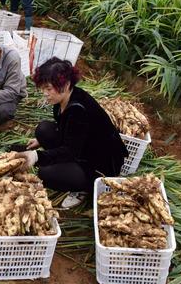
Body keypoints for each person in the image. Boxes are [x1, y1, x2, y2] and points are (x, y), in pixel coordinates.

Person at [14, 57, 128, 207]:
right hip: (83, 148)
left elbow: (70, 151)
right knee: (43, 130)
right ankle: (69, 169)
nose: (45, 93)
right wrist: (41, 142)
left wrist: (37, 156)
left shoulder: (78, 110)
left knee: (45, 174)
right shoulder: (64, 98)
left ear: (66, 84)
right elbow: (66, 129)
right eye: (43, 88)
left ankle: (83, 188)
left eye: (49, 89)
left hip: (100, 164)